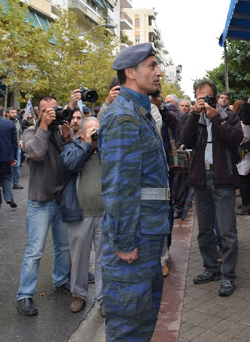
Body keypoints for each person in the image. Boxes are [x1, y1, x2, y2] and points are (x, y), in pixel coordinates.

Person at [99, 43, 170, 340]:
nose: (159, 72)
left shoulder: (139, 111)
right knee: (129, 321)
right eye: (152, 66)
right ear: (130, 73)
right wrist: (126, 241)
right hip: (136, 235)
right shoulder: (123, 117)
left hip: (148, 230)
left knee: (143, 316)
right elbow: (119, 185)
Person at [180, 79, 243, 297]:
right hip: (200, 178)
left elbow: (236, 139)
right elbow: (184, 140)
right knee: (204, 230)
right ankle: (211, 268)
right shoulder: (195, 117)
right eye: (200, 98)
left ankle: (228, 275)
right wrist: (195, 114)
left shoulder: (229, 116)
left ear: (215, 98)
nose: (205, 101)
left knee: (227, 232)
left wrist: (216, 118)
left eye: (208, 97)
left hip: (223, 177)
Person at [16, 95, 71, 316]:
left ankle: (61, 279)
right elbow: (37, 152)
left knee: (63, 246)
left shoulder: (60, 132)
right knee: (35, 251)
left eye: (54, 109)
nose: (52, 113)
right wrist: (44, 126)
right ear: (38, 113)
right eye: (46, 110)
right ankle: (25, 295)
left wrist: (67, 138)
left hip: (61, 199)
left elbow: (71, 160)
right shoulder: (31, 132)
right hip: (40, 203)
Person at [61, 117, 104, 314]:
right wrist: (87, 145)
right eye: (92, 130)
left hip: (105, 213)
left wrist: (99, 144)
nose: (96, 133)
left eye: (99, 129)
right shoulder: (72, 148)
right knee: (79, 257)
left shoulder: (106, 149)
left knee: (105, 258)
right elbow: (70, 164)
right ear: (81, 133)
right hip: (80, 213)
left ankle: (105, 299)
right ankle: (78, 294)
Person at [236, 102, 250, 215]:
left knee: (243, 181)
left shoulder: (241, 125)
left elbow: (239, 140)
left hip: (242, 154)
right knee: (248, 180)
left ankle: (245, 205)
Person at [6, 107, 24, 189]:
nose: (14, 114)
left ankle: (16, 183)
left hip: (16, 147)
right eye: (12, 112)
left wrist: (21, 141)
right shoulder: (5, 122)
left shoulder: (17, 122)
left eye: (15, 112)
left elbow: (20, 133)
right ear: (7, 114)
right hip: (7, 147)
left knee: (16, 166)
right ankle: (6, 182)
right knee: (6, 166)